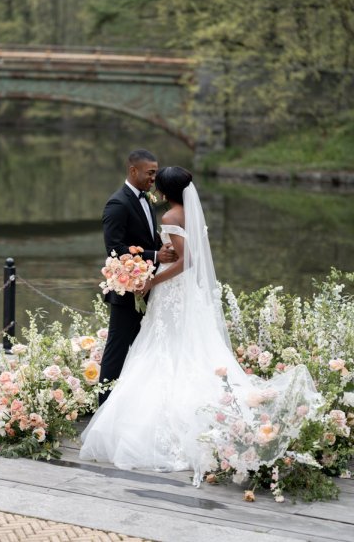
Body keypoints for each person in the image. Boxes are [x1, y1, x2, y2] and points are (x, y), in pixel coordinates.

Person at [80, 167, 322, 485]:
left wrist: (152, 280)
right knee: (181, 348)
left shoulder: (170, 217)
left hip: (171, 291)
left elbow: (187, 260)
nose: (153, 184)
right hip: (182, 295)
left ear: (165, 191)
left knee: (164, 350)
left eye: (158, 180)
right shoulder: (187, 214)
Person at [98, 150, 177, 405]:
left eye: (155, 172)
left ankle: (130, 405)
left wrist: (162, 247)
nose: (154, 178)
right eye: (150, 172)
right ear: (134, 171)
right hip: (127, 290)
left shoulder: (146, 199)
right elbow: (114, 250)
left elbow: (144, 237)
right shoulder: (117, 204)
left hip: (148, 285)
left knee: (143, 348)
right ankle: (103, 407)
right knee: (117, 350)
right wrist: (155, 256)